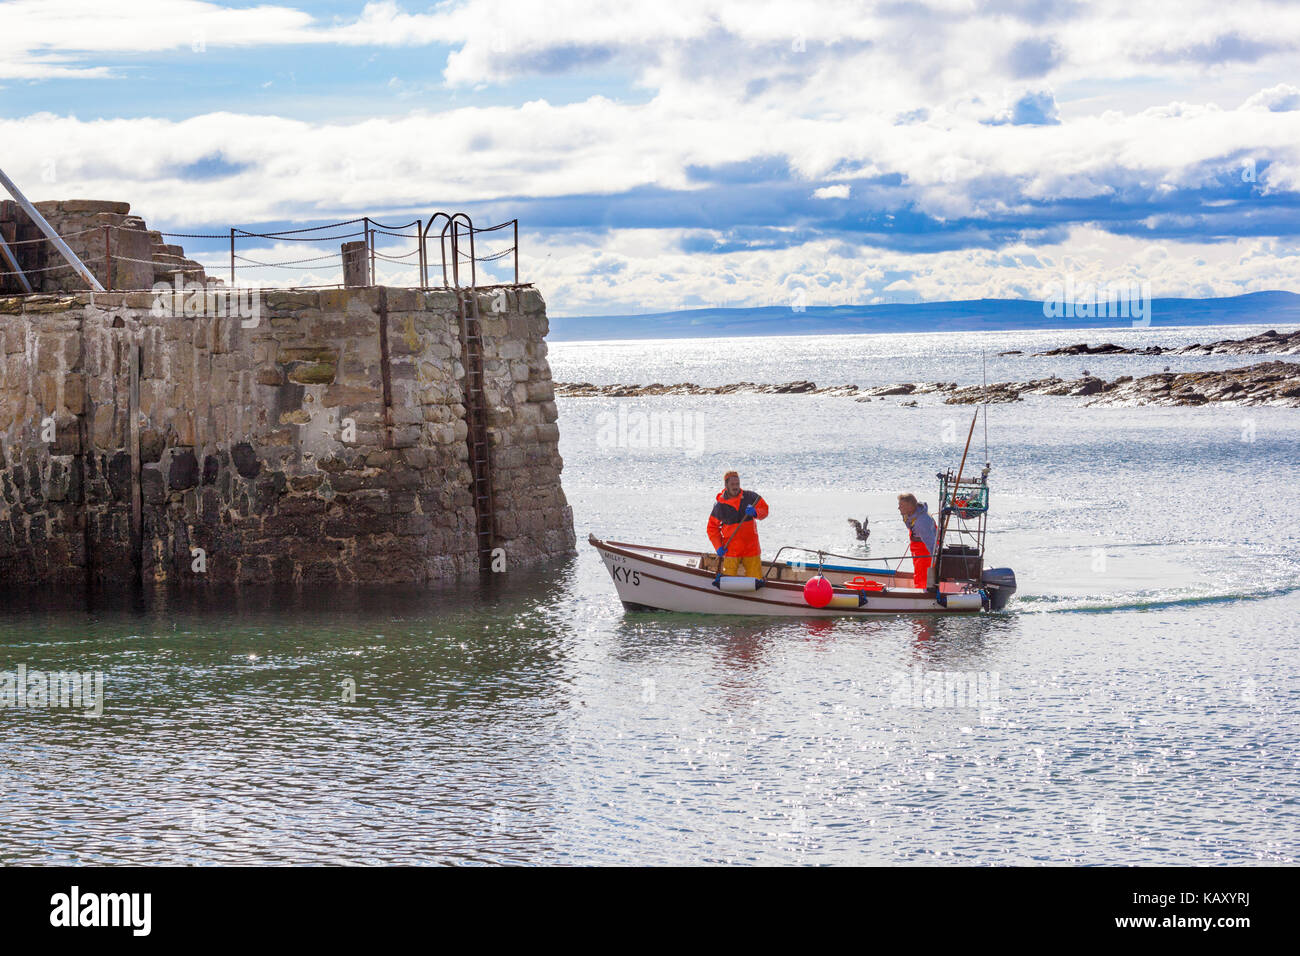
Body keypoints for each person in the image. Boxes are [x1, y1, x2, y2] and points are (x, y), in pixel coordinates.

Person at [707, 470, 769, 577]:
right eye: (732, 484)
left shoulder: (751, 497)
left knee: (756, 579)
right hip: (731, 549)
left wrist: (755, 512)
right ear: (726, 485)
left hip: (751, 548)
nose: (735, 487)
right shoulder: (720, 505)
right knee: (728, 579)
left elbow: (765, 509)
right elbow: (712, 528)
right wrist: (718, 546)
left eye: (737, 484)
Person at [898, 493, 937, 589]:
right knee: (918, 571)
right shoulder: (907, 514)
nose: (898, 508)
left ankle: (923, 594)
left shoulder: (922, 522)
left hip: (925, 549)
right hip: (916, 546)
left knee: (922, 576)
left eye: (901, 506)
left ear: (910, 506)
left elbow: (932, 545)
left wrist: (937, 560)